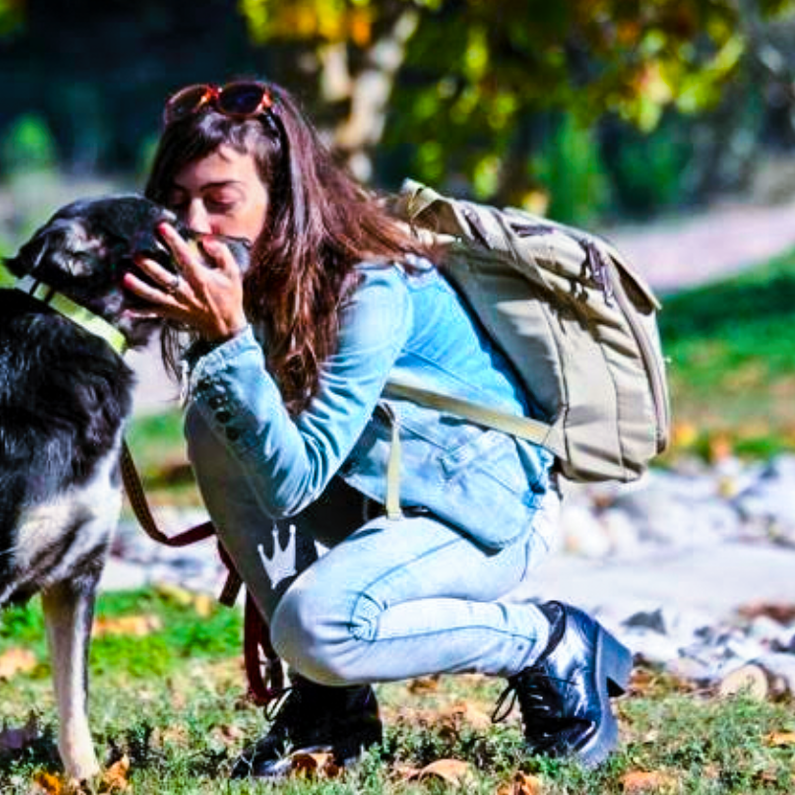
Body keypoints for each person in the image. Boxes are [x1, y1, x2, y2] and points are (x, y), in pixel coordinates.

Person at [122, 79, 631, 779]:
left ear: (284, 194)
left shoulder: (370, 285)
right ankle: (330, 705)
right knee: (212, 422)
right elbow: (276, 478)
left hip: (486, 515)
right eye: (177, 203)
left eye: (220, 199)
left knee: (316, 625)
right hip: (381, 493)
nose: (196, 225)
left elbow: (293, 481)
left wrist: (229, 336)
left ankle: (548, 640)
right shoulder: (261, 279)